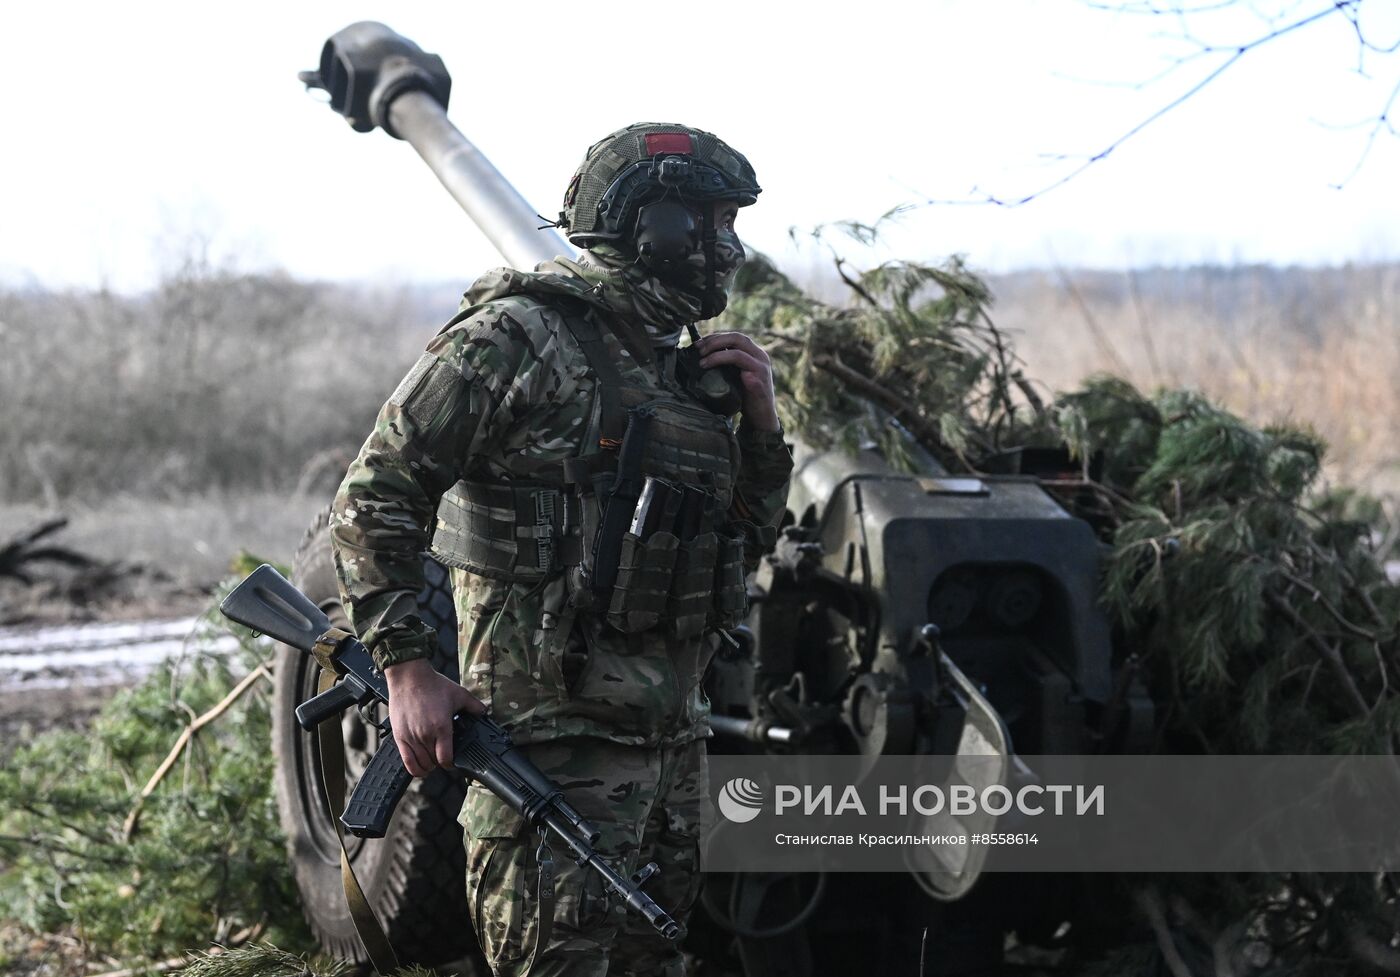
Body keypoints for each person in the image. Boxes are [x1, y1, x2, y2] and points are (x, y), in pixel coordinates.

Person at [330, 122, 794, 977]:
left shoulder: (685, 367)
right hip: (549, 747)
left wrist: (762, 430)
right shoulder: (516, 337)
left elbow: (744, 544)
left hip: (667, 751)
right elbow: (376, 493)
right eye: (713, 224)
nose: (729, 249)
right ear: (653, 228)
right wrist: (405, 667)